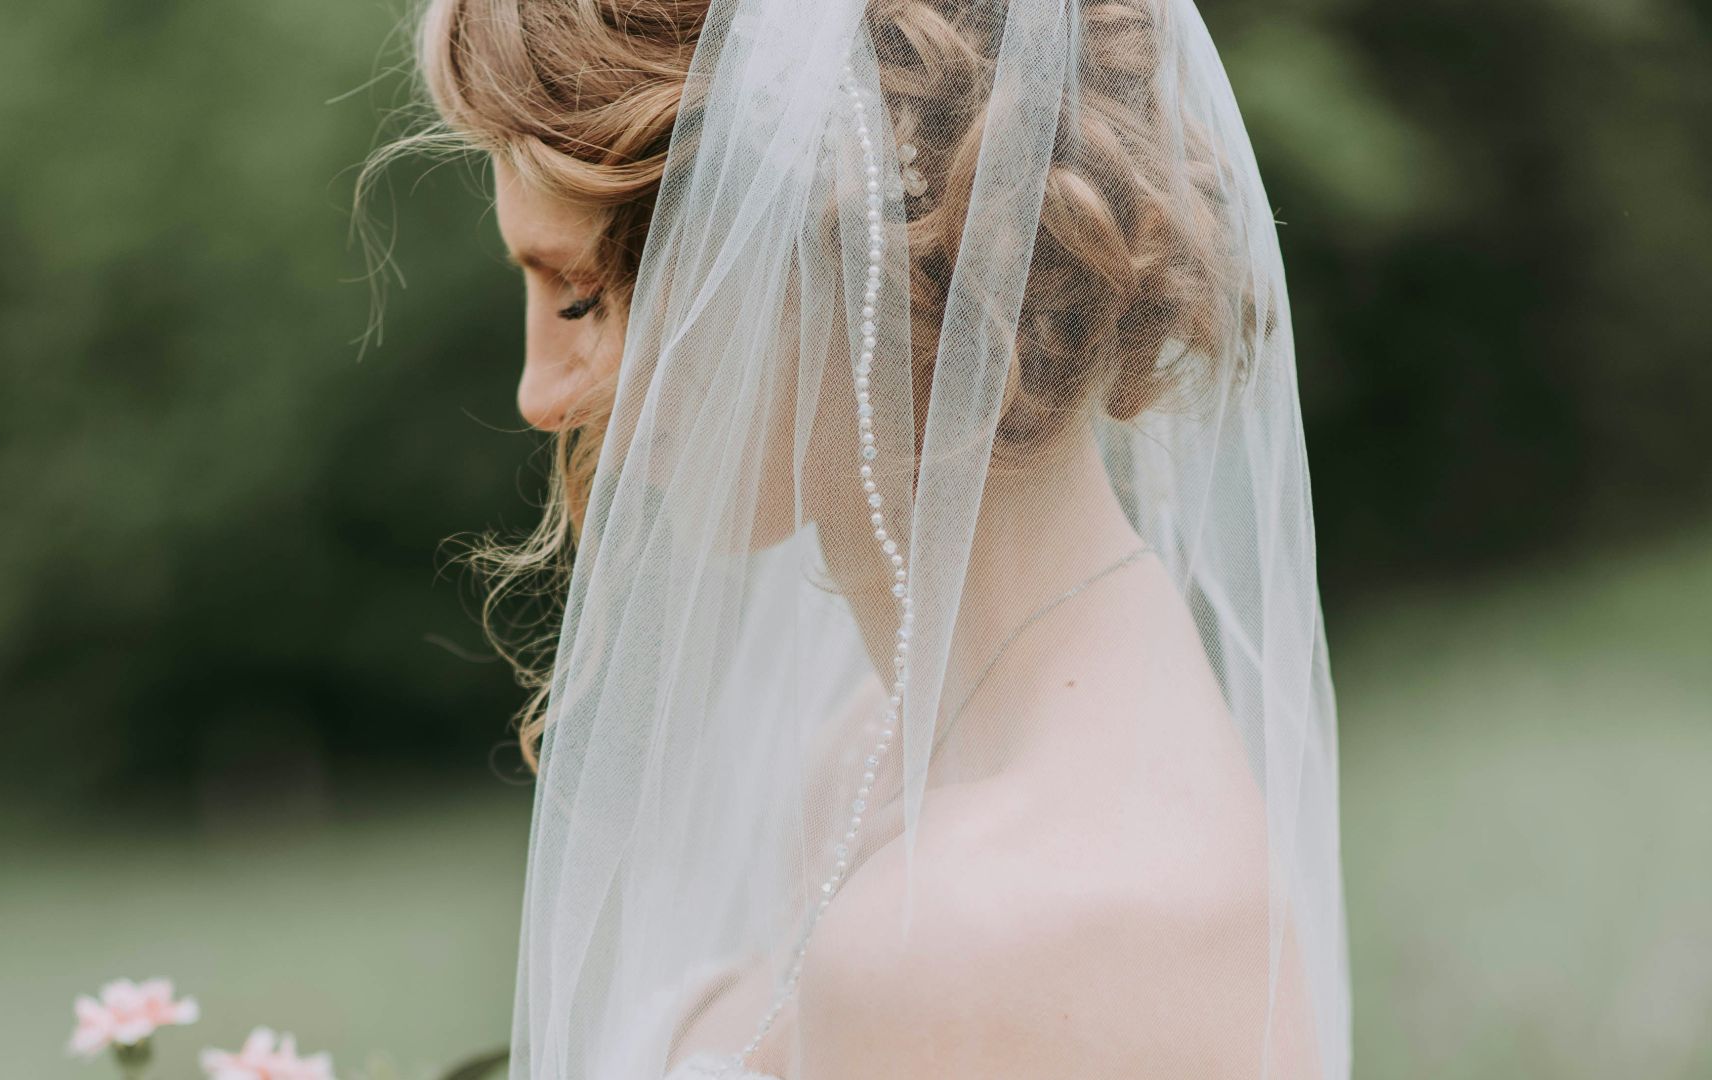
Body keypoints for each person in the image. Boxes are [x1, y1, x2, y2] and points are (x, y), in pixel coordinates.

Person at [401, 0, 1350, 1074]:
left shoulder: (989, 933)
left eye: (580, 300)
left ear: (822, 244)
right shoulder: (878, 752)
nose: (538, 394)